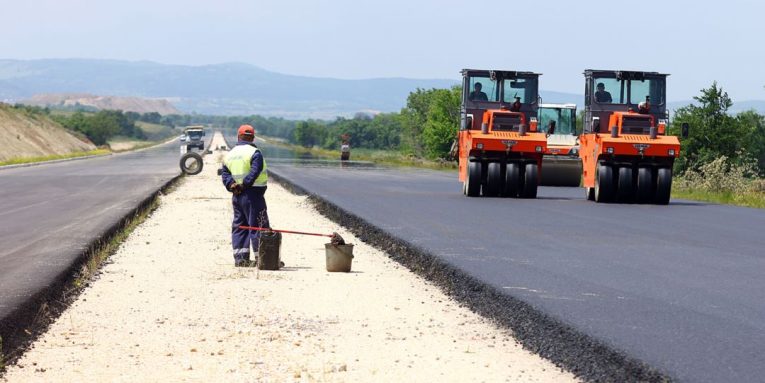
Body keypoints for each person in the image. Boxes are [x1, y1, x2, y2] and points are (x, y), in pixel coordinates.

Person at [221, 124, 269, 267]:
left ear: (238, 136)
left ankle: (241, 259)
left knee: (240, 226)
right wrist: (244, 184)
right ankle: (263, 259)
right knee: (258, 225)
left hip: (237, 196)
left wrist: (232, 185)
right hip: (253, 195)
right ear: (253, 137)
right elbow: (254, 172)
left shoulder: (229, 155)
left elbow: (225, 174)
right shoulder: (255, 153)